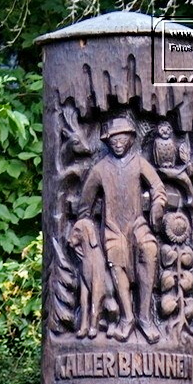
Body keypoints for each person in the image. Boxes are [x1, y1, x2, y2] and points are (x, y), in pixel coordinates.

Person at [77, 117, 166, 343]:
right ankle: (127, 318)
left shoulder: (139, 163)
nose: (118, 143)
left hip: (137, 225)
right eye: (113, 139)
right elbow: (84, 207)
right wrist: (88, 236)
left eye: (122, 138)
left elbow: (157, 187)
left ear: (130, 139)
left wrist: (157, 204)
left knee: (149, 249)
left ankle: (144, 317)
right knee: (116, 260)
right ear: (108, 141)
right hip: (113, 229)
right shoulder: (100, 169)